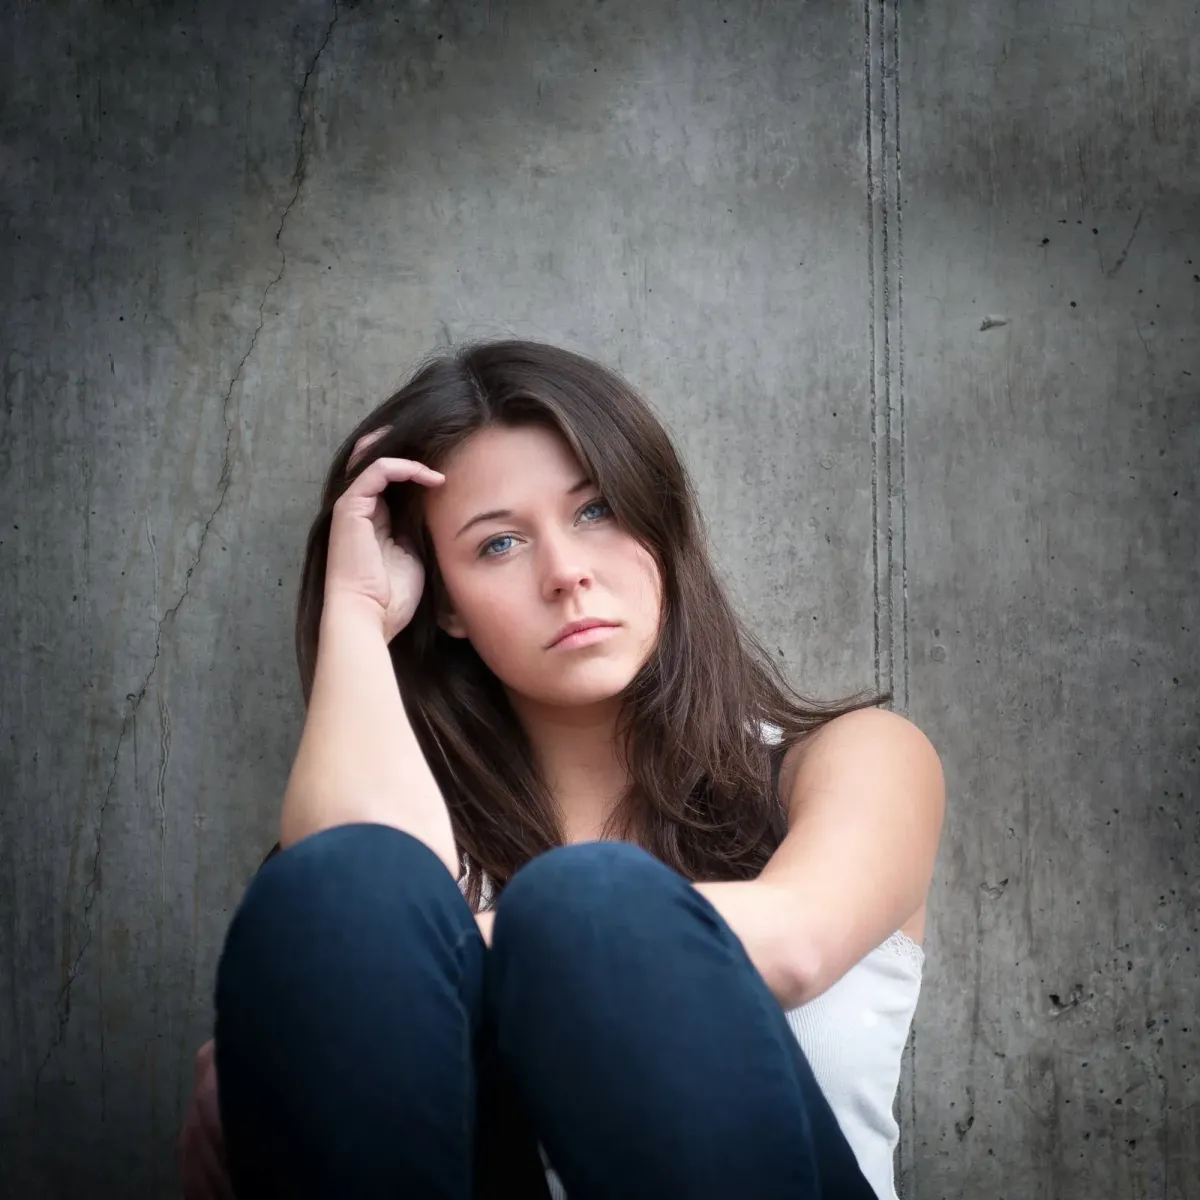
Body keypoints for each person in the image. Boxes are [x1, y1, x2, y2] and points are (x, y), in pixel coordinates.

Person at [177, 339, 945, 1199]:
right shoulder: (411, 842)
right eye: (499, 545)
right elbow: (347, 928)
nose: (566, 573)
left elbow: (799, 939)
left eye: (596, 511)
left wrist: (298, 1022)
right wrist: (355, 615)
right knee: (347, 894)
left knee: (588, 906)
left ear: (658, 522)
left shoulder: (851, 758)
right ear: (446, 603)